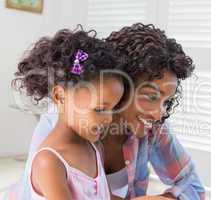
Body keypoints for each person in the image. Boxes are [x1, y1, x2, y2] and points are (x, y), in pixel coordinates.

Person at [23, 23, 206, 200]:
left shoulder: (151, 126)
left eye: (166, 101)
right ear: (122, 85)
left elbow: (193, 184)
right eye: (151, 96)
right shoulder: (57, 133)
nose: (159, 114)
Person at [10, 27, 125, 199]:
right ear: (60, 96)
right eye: (100, 109)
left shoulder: (96, 148)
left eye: (114, 108)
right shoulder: (49, 162)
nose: (109, 119)